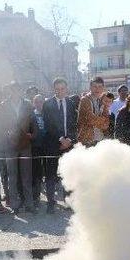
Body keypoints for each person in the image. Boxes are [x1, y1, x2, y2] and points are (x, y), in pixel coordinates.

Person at [42, 77, 77, 213]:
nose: (60, 91)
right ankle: (51, 203)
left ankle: (69, 202)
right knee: (51, 175)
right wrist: (60, 139)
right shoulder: (47, 104)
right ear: (54, 89)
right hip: (52, 144)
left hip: (69, 145)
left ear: (66, 88)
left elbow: (74, 124)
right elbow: (47, 124)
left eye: (62, 89)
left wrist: (69, 140)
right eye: (57, 89)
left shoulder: (71, 103)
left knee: (69, 174)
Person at [0, 82, 35, 214]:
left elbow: (33, 122)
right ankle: (14, 205)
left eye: (17, 90)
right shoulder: (3, 106)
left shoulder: (28, 105)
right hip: (10, 145)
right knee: (12, 176)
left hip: (25, 144)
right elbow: (0, 125)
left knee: (27, 176)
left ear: (20, 91)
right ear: (9, 91)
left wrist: (32, 134)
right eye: (12, 90)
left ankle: (29, 204)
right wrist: (6, 133)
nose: (15, 92)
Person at [77, 76, 111, 147]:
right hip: (87, 140)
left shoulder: (102, 100)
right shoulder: (85, 100)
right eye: (94, 86)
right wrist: (102, 121)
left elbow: (106, 124)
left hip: (100, 139)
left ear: (103, 88)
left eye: (99, 86)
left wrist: (102, 122)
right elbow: (91, 119)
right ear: (90, 87)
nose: (97, 89)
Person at [30, 94, 46, 209]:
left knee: (48, 171)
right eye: (36, 102)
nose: (39, 103)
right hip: (35, 147)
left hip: (47, 146)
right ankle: (36, 196)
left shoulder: (48, 114)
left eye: (41, 101)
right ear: (33, 103)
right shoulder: (31, 115)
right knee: (36, 173)